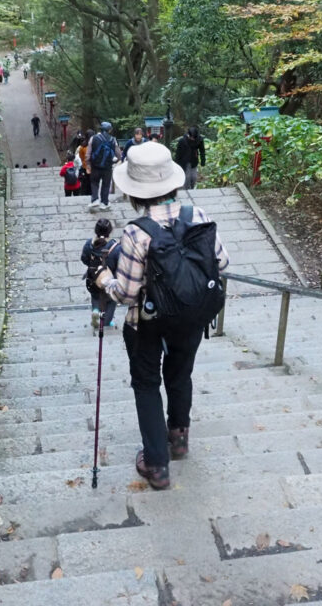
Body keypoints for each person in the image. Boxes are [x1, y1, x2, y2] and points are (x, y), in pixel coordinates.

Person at [94, 141, 229, 490]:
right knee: (180, 374)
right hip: (191, 316)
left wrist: (104, 279)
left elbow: (127, 293)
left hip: (147, 323)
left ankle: (157, 465)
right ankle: (179, 437)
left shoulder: (137, 233)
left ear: (136, 192)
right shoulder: (197, 216)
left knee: (146, 384)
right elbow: (223, 262)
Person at [82, 218, 117, 332]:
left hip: (93, 277)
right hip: (109, 280)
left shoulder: (89, 244)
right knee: (111, 300)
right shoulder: (115, 246)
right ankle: (106, 322)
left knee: (95, 296)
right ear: (110, 231)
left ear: (96, 230)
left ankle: (96, 311)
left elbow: (84, 258)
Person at [86, 122, 121, 210]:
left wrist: (88, 164)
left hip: (95, 166)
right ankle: (104, 203)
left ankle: (95, 200)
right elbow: (118, 154)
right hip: (108, 167)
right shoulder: (113, 140)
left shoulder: (93, 138)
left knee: (94, 182)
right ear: (109, 130)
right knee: (106, 184)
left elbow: (88, 154)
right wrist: (116, 160)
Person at [77, 129, 93, 196]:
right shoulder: (94, 144)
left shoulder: (83, 146)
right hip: (93, 167)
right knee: (92, 181)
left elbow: (81, 156)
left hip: (85, 166)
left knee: (85, 181)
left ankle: (85, 193)